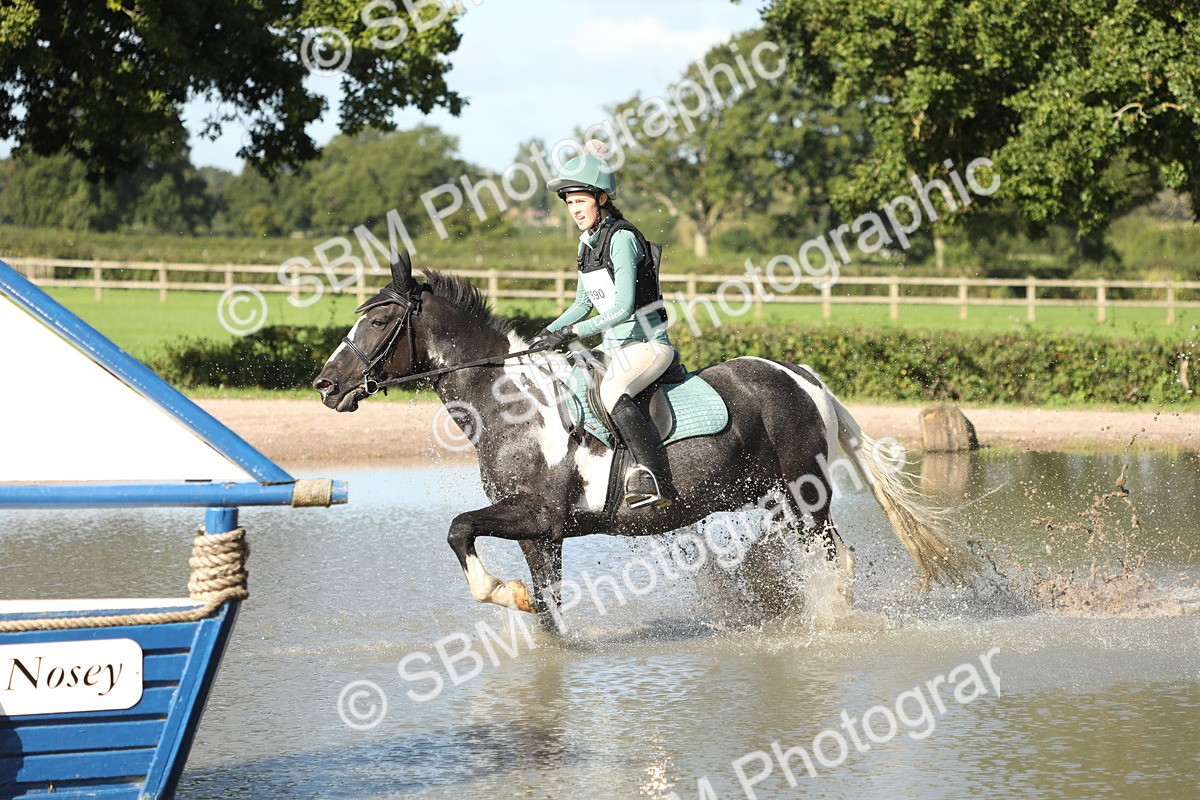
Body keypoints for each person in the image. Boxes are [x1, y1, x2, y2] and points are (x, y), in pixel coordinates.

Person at [532, 141, 677, 509]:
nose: (573, 210)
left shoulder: (623, 239)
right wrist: (548, 332)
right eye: (569, 203)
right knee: (569, 384)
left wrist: (573, 333)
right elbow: (582, 303)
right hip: (613, 348)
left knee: (612, 392)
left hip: (648, 346)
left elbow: (624, 306)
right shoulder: (586, 245)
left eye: (579, 201)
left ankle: (653, 477)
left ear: (601, 198)